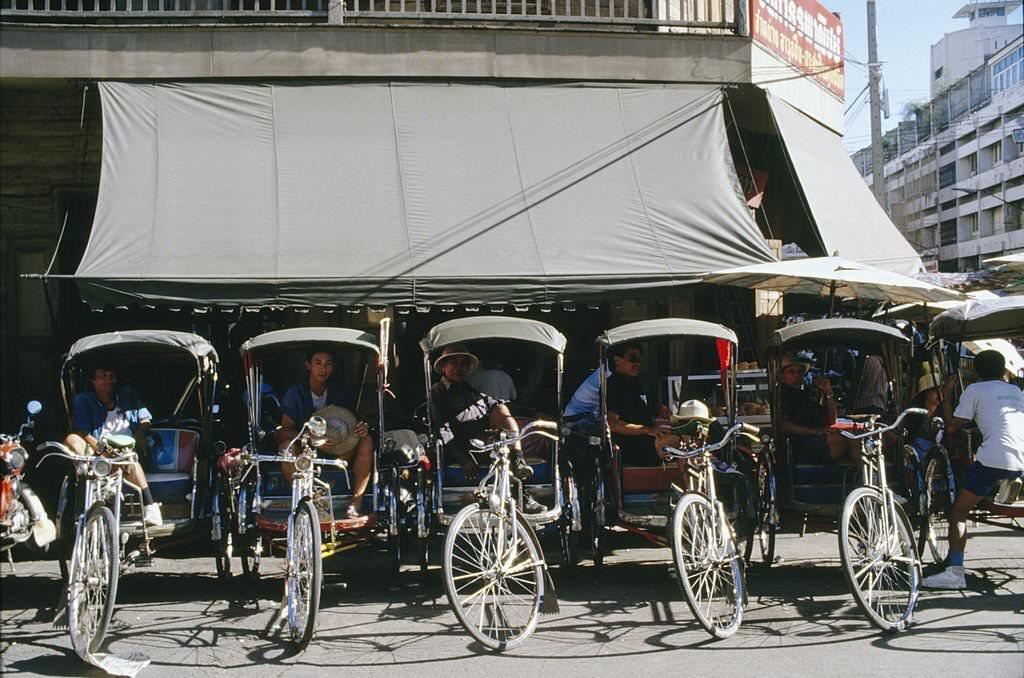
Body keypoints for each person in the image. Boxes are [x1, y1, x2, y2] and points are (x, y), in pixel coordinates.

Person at [922, 350, 1024, 590]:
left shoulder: (974, 390)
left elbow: (952, 427)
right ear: (1003, 370)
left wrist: (946, 395)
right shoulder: (1016, 391)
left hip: (994, 459)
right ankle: (1003, 490)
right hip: (1021, 457)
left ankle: (955, 571)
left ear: (976, 372)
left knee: (958, 512)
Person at [429, 345, 542, 512]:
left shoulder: (469, 390)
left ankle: (519, 460)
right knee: (500, 448)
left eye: (463, 364)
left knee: (501, 410)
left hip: (488, 442)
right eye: (453, 363)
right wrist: (462, 459)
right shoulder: (438, 392)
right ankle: (522, 495)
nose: (458, 368)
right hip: (465, 447)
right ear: (443, 367)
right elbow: (442, 429)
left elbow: (495, 403)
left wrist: (536, 414)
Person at [277, 346, 373, 518]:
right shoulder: (295, 394)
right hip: (306, 452)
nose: (323, 369)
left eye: (328, 364)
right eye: (317, 363)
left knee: (366, 441)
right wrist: (308, 436)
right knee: (286, 448)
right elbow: (284, 432)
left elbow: (353, 422)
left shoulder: (340, 392)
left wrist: (361, 428)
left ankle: (356, 502)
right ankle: (305, 500)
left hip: (340, 449)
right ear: (308, 365)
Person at [64, 365, 163, 527]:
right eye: (102, 375)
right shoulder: (84, 400)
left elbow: (145, 418)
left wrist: (140, 433)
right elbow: (81, 430)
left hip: (125, 447)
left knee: (128, 458)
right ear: (93, 380)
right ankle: (86, 477)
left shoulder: (126, 395)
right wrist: (100, 448)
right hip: (97, 448)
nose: (108, 380)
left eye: (111, 376)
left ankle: (150, 505)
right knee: (71, 439)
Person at [778, 354, 858, 464]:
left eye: (799, 372)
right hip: (800, 444)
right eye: (791, 372)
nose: (796, 375)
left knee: (858, 434)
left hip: (818, 439)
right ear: (782, 376)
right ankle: (862, 475)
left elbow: (831, 420)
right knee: (852, 437)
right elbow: (784, 424)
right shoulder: (782, 395)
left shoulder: (805, 395)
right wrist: (814, 431)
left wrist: (828, 393)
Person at [605, 342, 671, 467]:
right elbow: (612, 424)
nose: (638, 363)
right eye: (633, 358)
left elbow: (644, 404)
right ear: (617, 360)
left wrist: (659, 407)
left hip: (647, 441)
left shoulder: (633, 382)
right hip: (631, 447)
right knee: (679, 441)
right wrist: (648, 430)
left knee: (688, 436)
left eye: (640, 359)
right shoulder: (613, 386)